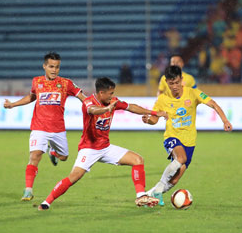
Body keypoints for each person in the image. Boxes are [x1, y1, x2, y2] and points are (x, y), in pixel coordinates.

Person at [38, 77, 167, 210]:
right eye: (110, 93)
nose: (112, 96)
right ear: (101, 93)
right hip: (89, 149)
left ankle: (141, 196)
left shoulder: (113, 102)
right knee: (74, 177)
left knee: (137, 159)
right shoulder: (88, 103)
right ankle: (46, 202)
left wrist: (154, 113)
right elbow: (93, 110)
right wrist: (107, 109)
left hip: (105, 147)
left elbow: (131, 107)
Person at [142, 66, 232, 206]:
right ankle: (158, 190)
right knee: (181, 158)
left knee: (174, 180)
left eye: (177, 82)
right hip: (172, 137)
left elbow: (213, 104)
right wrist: (148, 120)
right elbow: (154, 119)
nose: (175, 86)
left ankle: (150, 194)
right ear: (166, 82)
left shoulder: (193, 93)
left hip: (189, 141)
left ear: (182, 80)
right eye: (171, 83)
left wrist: (225, 120)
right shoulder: (162, 99)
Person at [3, 52, 87, 201]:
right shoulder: (37, 81)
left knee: (64, 157)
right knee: (34, 156)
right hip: (39, 126)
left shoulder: (66, 83)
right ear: (44, 66)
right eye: (51, 66)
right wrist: (12, 105)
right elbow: (32, 97)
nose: (54, 70)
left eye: (57, 67)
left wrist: (91, 107)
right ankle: (28, 190)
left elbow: (82, 97)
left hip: (58, 129)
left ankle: (53, 152)